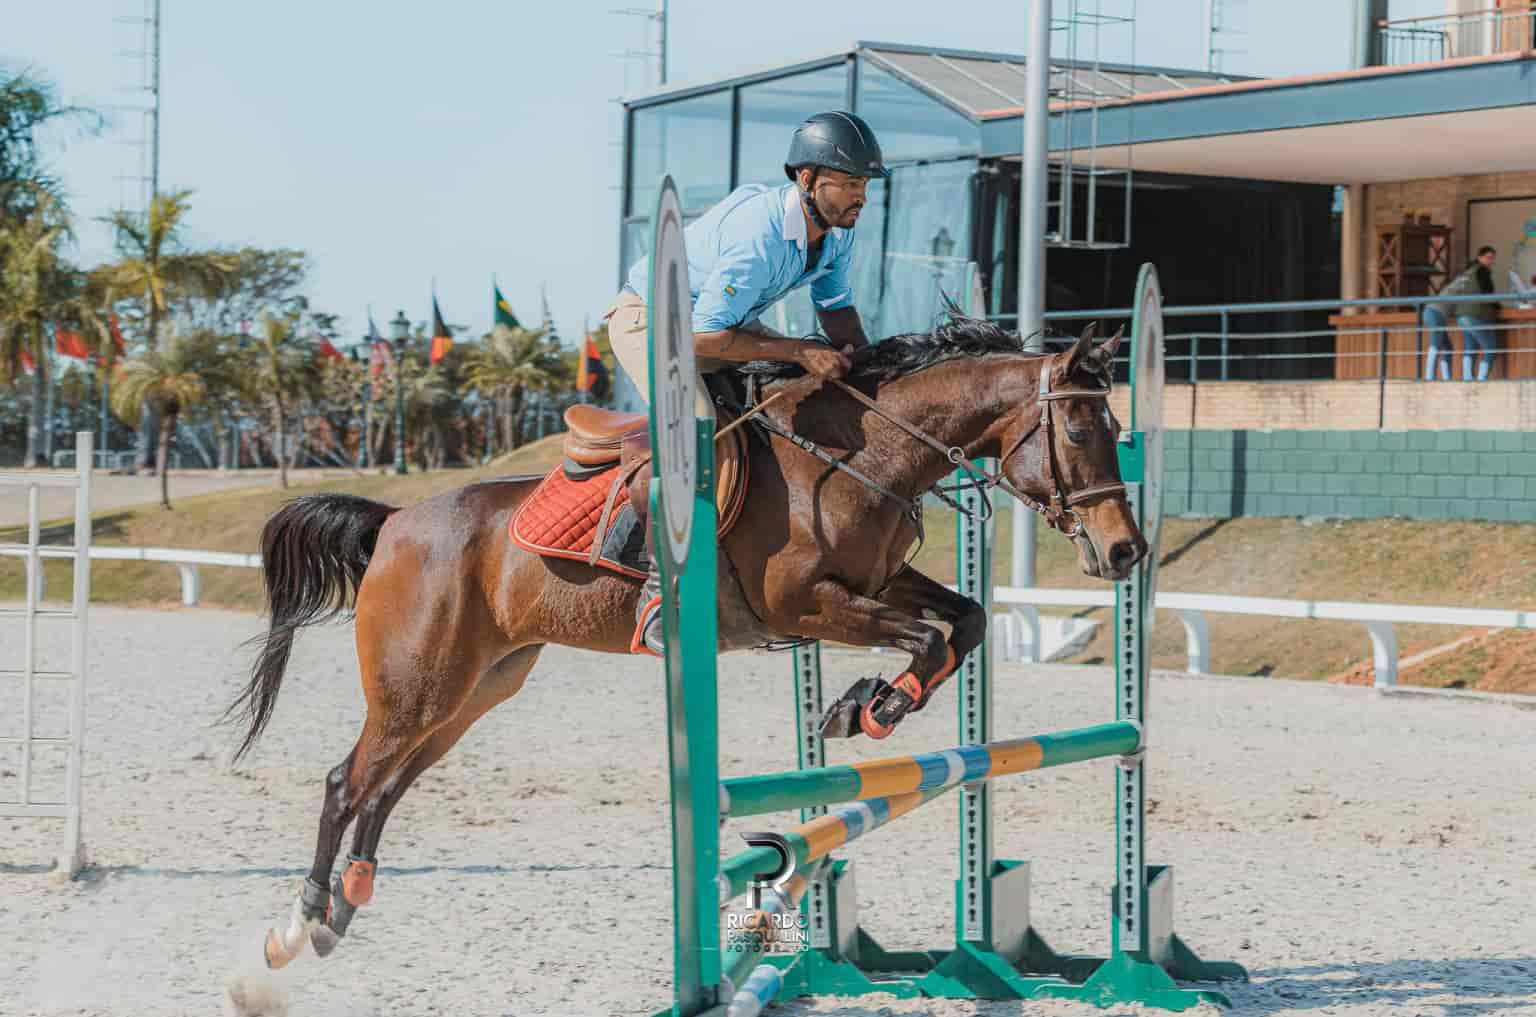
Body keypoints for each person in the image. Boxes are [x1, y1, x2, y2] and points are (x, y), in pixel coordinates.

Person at [605, 110, 888, 655]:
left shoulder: (835, 234)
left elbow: (838, 312)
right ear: (807, 180)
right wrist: (801, 350)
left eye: (864, 185)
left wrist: (873, 374)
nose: (860, 197)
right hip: (655, 322)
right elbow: (703, 339)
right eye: (849, 183)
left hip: (720, 328)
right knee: (700, 424)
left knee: (788, 401)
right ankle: (659, 593)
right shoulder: (758, 233)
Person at [1440, 245, 1499, 381]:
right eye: (1488, 258)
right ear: (1479, 257)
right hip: (1475, 314)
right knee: (1490, 347)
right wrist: (1498, 305)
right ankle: (1481, 379)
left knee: (1470, 347)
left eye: (1493, 259)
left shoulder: (1467, 272)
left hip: (1461, 316)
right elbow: (1487, 293)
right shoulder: (1482, 271)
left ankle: (1467, 378)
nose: (1491, 261)